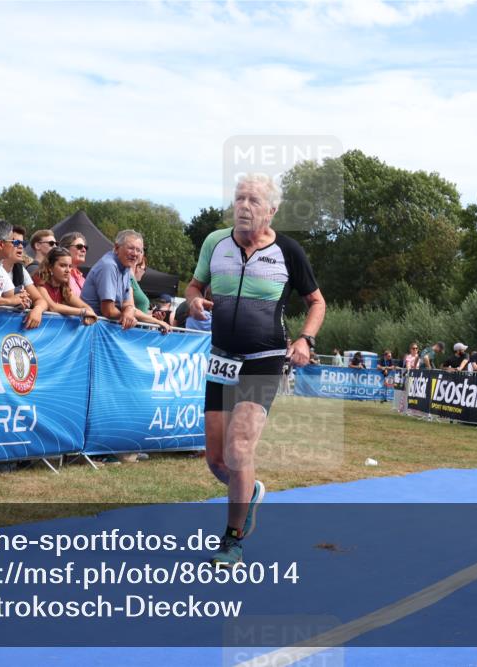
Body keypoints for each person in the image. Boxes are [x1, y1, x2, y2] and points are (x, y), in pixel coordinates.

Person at [185, 173, 325, 567]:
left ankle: (232, 541)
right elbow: (195, 287)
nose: (244, 206)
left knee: (240, 447)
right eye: (239, 198)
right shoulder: (215, 242)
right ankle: (251, 489)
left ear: (271, 210)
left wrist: (304, 340)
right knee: (217, 460)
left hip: (264, 359)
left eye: (253, 200)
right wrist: (193, 301)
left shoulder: (288, 251)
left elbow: (317, 302)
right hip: (221, 357)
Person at [81, 229, 168, 332]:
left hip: (101, 330)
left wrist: (158, 322)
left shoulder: (125, 268)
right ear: (117, 248)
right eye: (131, 248)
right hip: (89, 330)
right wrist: (129, 317)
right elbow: (108, 311)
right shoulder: (109, 266)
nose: (135, 254)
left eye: (139, 250)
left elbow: (128, 305)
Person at [35, 246, 98, 322]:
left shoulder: (63, 286)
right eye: (63, 265)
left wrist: (89, 313)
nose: (68, 270)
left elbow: (84, 306)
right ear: (50, 267)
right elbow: (53, 307)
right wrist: (83, 312)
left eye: (70, 266)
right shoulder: (39, 282)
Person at [6, 225, 49, 329]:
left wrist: (37, 310)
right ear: (2, 244)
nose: (20, 246)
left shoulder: (20, 269)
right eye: (16, 242)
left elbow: (41, 300)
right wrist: (15, 299)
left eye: (22, 243)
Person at [58, 232, 87, 297]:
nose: (84, 250)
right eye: (79, 246)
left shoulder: (82, 278)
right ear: (66, 249)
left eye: (85, 247)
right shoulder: (59, 275)